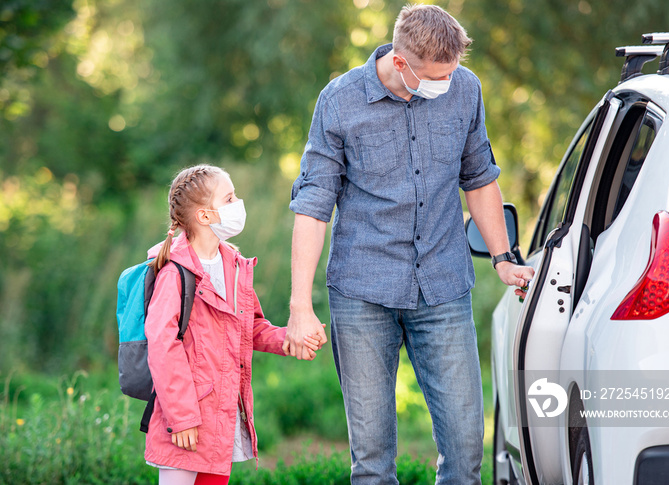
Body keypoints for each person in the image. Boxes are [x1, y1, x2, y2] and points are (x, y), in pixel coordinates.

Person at [285, 4, 535, 484]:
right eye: (435, 77)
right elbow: (314, 206)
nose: (446, 84)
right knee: (373, 464)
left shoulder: (465, 89)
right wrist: (300, 305)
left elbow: (479, 178)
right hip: (362, 292)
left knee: (465, 454)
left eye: (452, 73)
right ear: (400, 62)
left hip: (443, 286)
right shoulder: (339, 102)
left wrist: (503, 258)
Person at [143, 164, 322, 485]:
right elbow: (162, 347)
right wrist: (182, 418)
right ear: (204, 216)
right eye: (229, 198)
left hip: (221, 414)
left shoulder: (235, 266)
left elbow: (250, 328)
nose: (238, 203)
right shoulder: (175, 273)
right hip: (186, 421)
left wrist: (290, 339)